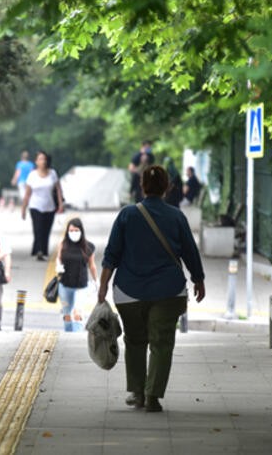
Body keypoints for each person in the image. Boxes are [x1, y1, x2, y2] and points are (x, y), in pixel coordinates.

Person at [99, 164, 206, 413]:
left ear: (142, 186)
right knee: (161, 343)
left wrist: (102, 286)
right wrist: (198, 279)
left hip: (128, 291)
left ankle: (137, 392)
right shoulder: (176, 216)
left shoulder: (127, 215)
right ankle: (153, 396)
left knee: (135, 340)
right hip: (167, 292)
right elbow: (190, 251)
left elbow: (111, 254)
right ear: (168, 187)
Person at [55, 217, 99, 332]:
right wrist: (58, 266)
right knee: (67, 315)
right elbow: (58, 258)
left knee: (77, 313)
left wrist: (97, 281)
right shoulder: (63, 244)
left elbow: (92, 265)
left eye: (76, 230)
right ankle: (68, 336)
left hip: (81, 286)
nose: (73, 233)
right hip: (65, 285)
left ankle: (77, 337)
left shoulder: (88, 247)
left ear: (81, 231)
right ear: (67, 232)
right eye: (71, 230)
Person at [20, 150, 64, 261]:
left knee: (46, 229)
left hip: (50, 206)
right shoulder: (32, 175)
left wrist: (60, 204)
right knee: (38, 228)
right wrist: (23, 208)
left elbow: (58, 189)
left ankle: (43, 250)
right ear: (36, 161)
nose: (43, 161)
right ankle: (39, 251)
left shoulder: (52, 173)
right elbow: (27, 193)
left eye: (44, 159)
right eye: (40, 159)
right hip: (35, 206)